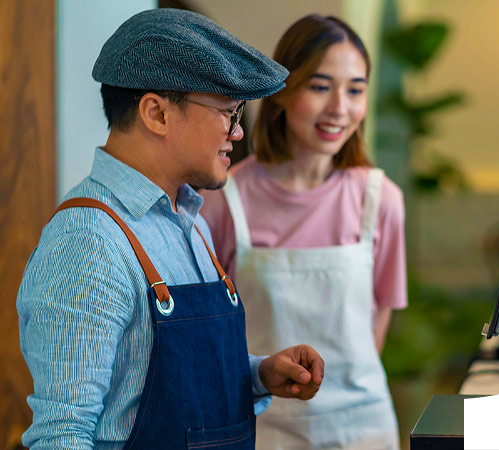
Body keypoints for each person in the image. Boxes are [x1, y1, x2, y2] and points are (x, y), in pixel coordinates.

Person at [16, 9, 324, 450]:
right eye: (228, 113)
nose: (237, 132)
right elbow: (61, 436)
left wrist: (256, 375)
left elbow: (159, 384)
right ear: (156, 113)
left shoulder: (186, 221)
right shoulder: (87, 242)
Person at [201, 14, 407, 450]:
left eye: (355, 89)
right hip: (264, 426)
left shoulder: (380, 198)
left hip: (363, 427)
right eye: (319, 86)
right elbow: (211, 331)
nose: (339, 108)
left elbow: (379, 318)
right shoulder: (225, 200)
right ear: (281, 93)